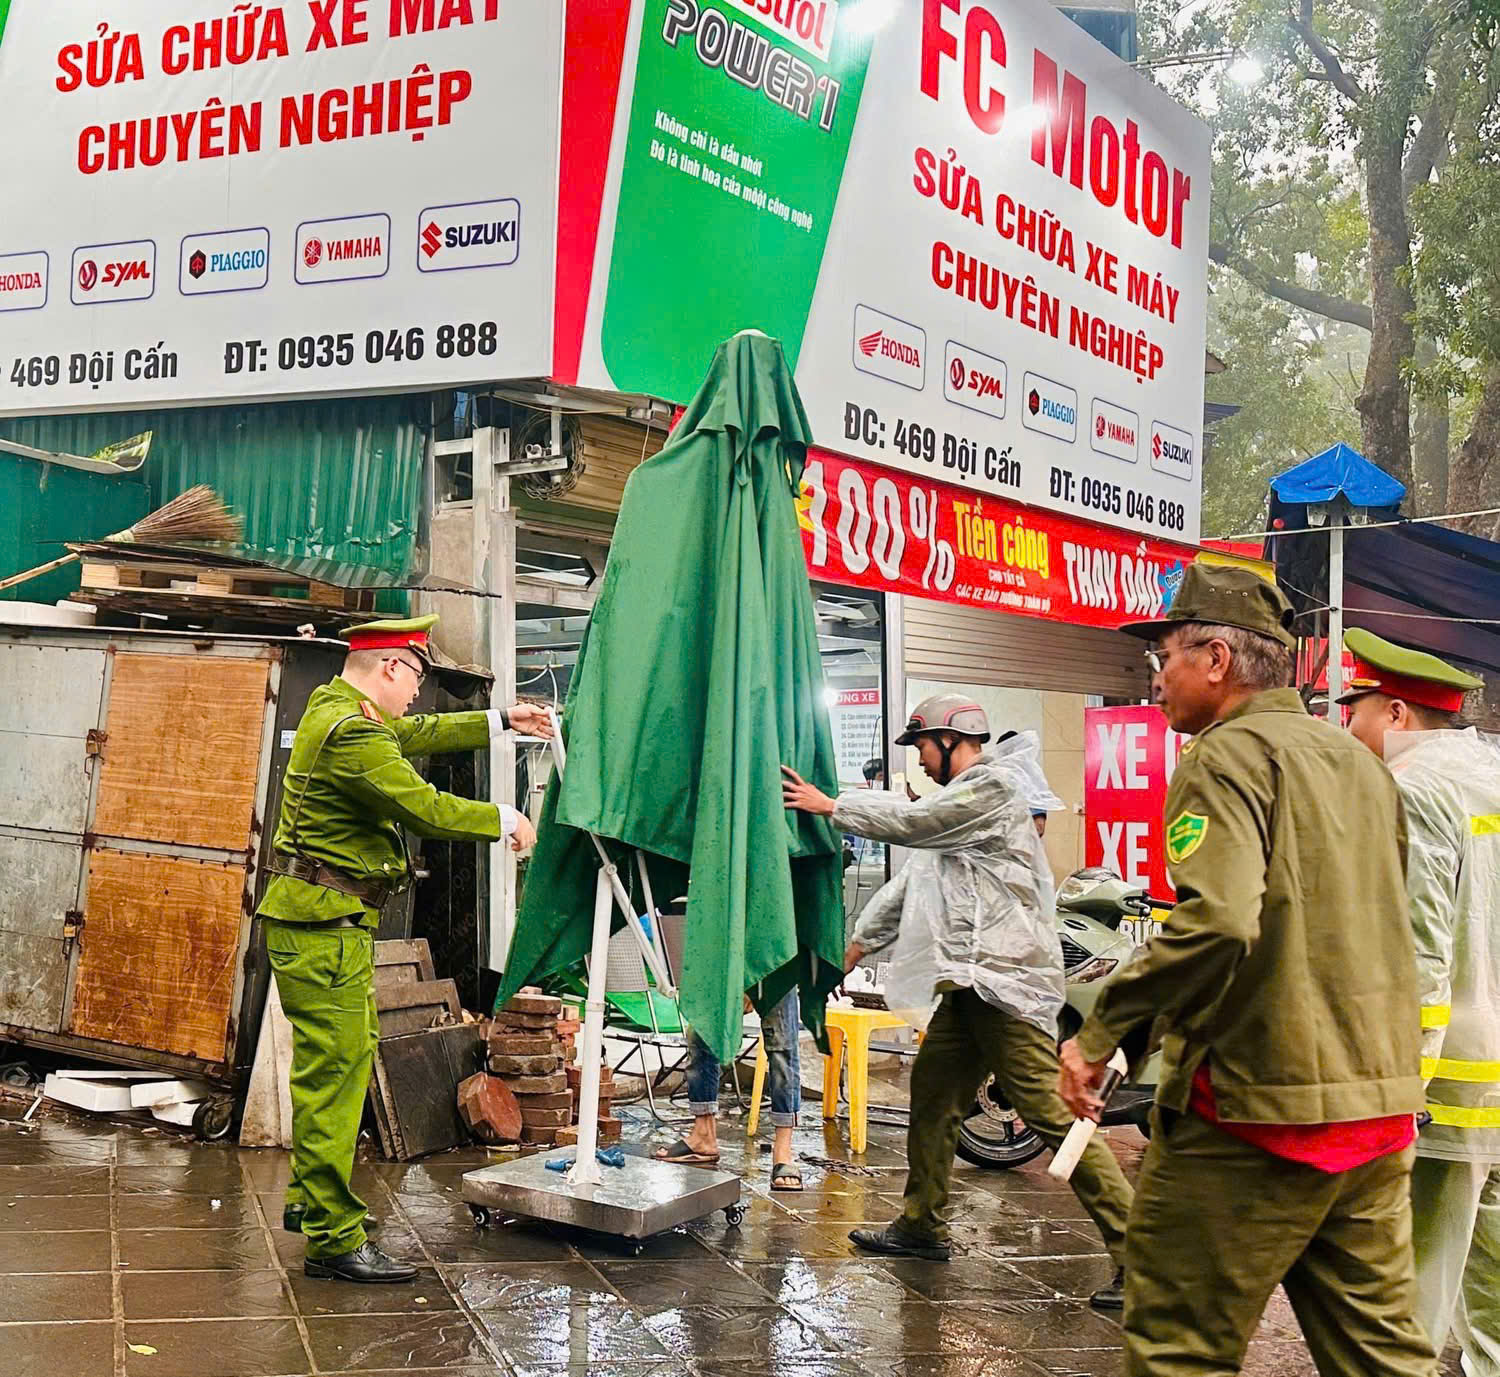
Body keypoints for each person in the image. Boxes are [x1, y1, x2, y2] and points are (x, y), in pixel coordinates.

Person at [1058, 565, 1435, 1377]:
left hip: (1256, 1114)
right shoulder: (1359, 763)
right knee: (1383, 1360)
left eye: (1165, 655)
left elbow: (1219, 923)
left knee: (1178, 1348)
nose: (1156, 678)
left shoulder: (1224, 757)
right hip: (1375, 1107)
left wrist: (1100, 1030)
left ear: (1217, 658)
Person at [782, 694, 1134, 1311]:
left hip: (1005, 986)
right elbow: (914, 878)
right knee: (936, 1094)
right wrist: (858, 945)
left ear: (952, 740)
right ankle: (922, 1224)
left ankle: (1144, 1257)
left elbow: (913, 825)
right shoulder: (956, 807)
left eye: (922, 746)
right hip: (970, 986)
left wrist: (831, 805)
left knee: (1050, 1113)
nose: (918, 761)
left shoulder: (991, 789)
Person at [259, 614, 551, 1284]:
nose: (417, 694)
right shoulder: (353, 733)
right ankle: (333, 1240)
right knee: (334, 1079)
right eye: (416, 676)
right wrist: (502, 818)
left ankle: (314, 1202)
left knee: (334, 1070)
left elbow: (417, 732)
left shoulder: (337, 706)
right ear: (391, 666)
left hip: (326, 925)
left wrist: (502, 720)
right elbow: (422, 806)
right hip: (323, 930)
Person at [1339, 627, 1500, 1373]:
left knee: (1411, 1282)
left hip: (1451, 1077)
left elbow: (1419, 953)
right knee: (1492, 1271)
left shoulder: (1414, 788)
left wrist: (1402, 1084)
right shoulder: (1492, 773)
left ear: (1396, 711)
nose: (1349, 726)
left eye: (1357, 709)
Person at [653, 988, 805, 1190]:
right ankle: (703, 1135)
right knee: (701, 1033)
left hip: (775, 960)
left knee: (782, 1042)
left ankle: (784, 1151)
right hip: (720, 960)